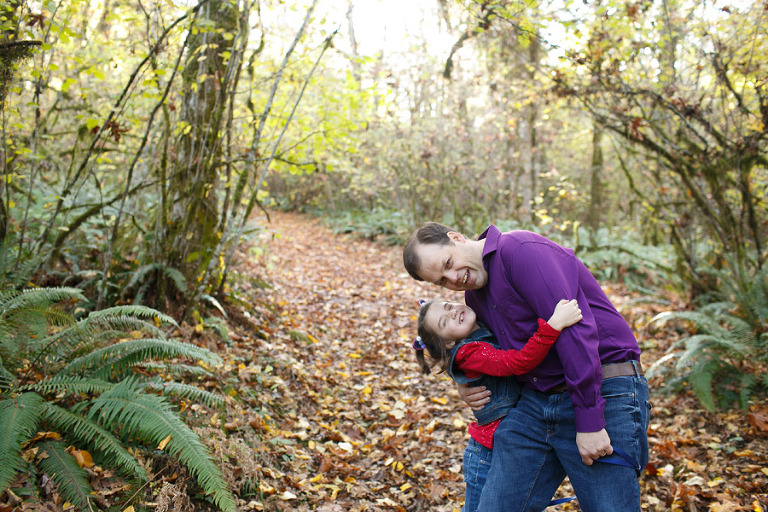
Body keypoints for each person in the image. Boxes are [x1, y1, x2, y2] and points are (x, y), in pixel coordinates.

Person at [402, 222, 650, 512]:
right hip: (536, 401)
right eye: (442, 281)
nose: (454, 279)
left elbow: (575, 333)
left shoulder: (521, 251)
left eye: (449, 263)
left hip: (602, 389)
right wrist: (463, 380)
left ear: (456, 238)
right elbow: (484, 352)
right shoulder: (474, 297)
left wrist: (590, 422)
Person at [414, 298, 583, 512]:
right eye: (444, 322)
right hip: (487, 454)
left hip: (508, 443)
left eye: (449, 306)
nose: (452, 313)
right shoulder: (469, 352)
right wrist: (554, 325)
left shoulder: (482, 327)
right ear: (448, 343)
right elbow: (517, 362)